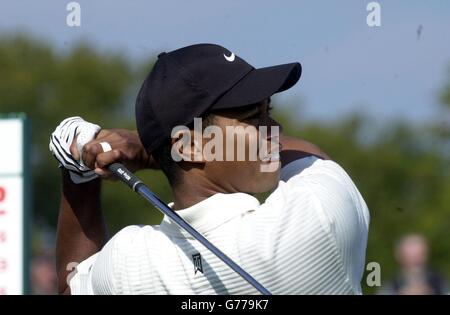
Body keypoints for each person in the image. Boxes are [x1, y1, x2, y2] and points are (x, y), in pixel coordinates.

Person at [49, 44, 370, 295]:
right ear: (188, 146)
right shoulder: (315, 217)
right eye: (251, 117)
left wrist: (78, 174)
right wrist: (147, 150)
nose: (274, 128)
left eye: (266, 111)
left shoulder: (129, 265)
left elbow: (71, 286)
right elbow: (309, 157)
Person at [380, 234, 448, 295]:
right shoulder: (390, 286)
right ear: (399, 256)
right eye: (410, 256)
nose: (416, 261)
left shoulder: (440, 283)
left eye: (420, 255)